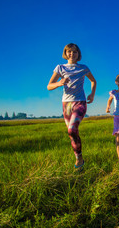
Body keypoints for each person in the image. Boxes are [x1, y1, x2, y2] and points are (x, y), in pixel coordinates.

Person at [47, 43, 96, 171]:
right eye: (69, 52)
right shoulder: (60, 68)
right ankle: (79, 156)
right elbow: (49, 86)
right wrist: (59, 83)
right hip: (66, 104)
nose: (72, 54)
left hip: (80, 102)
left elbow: (93, 81)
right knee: (72, 133)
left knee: (72, 130)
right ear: (65, 53)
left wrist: (92, 94)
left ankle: (79, 158)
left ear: (78, 54)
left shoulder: (83, 68)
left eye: (74, 52)